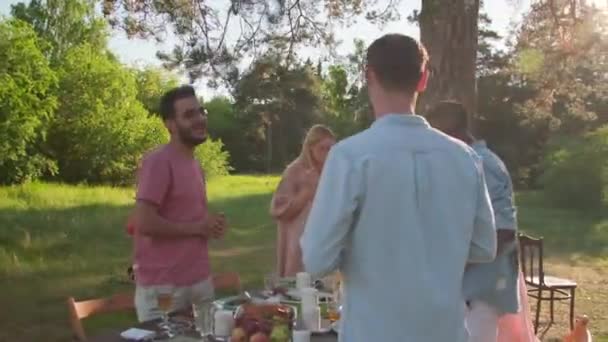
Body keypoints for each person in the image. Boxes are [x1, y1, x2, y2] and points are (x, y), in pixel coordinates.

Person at [300, 33, 497, 342]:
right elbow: (484, 246)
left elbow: (316, 259)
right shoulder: (465, 158)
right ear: (423, 79)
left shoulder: (350, 156)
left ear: (369, 76)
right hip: (445, 331)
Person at [427, 100, 537, 342]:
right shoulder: (461, 163)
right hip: (463, 289)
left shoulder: (485, 164)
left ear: (453, 134)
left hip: (483, 289)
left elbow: (504, 230)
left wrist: (458, 264)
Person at [131, 85, 228, 322]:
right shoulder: (158, 162)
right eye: (189, 115)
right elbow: (143, 222)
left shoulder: (195, 165)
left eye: (200, 111)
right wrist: (198, 227)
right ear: (170, 124)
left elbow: (188, 218)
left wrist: (210, 226)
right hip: (165, 289)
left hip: (199, 282)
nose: (199, 119)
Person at [270, 124, 336, 277]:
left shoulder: (332, 170)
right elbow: (279, 210)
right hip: (298, 238)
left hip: (324, 237)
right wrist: (306, 192)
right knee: (299, 283)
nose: (327, 153)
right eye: (323, 148)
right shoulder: (295, 170)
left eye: (331, 149)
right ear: (310, 147)